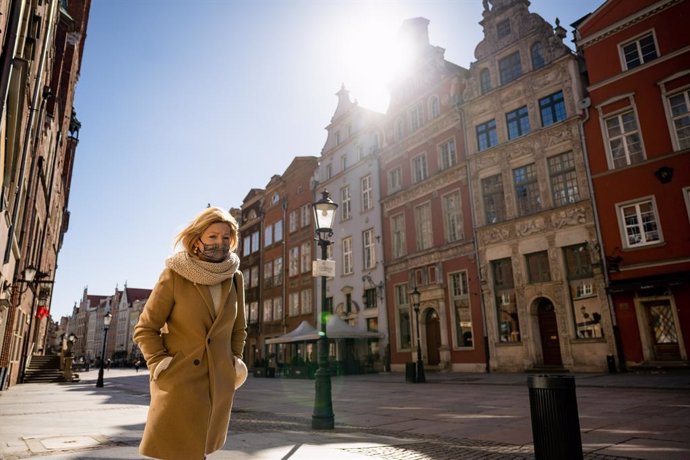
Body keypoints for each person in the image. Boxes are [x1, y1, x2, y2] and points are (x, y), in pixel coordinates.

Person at [133, 206, 248, 460]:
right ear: (197, 241)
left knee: (199, 450)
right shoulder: (175, 274)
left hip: (217, 383)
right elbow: (145, 328)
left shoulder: (235, 278)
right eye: (213, 237)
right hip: (180, 380)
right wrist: (160, 363)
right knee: (179, 451)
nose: (220, 243)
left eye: (226, 237)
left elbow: (239, 329)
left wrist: (234, 362)